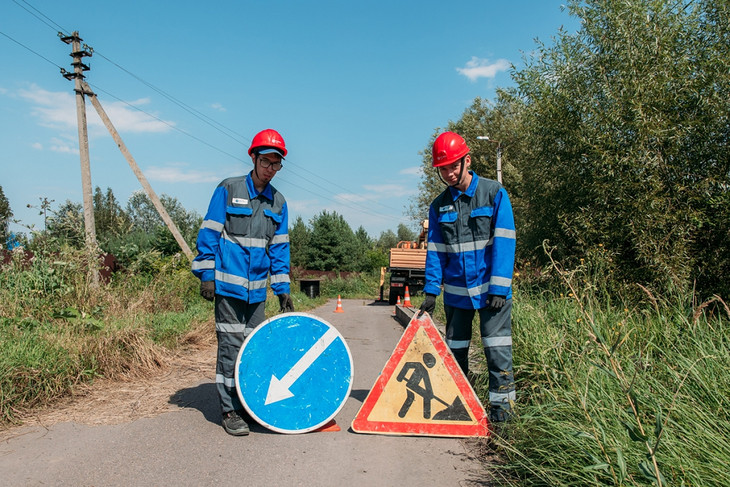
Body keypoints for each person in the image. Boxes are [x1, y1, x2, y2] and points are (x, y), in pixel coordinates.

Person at [192, 128, 295, 436]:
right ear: (253, 157)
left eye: (276, 164)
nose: (271, 169)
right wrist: (206, 274)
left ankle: (247, 403)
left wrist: (283, 289)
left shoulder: (278, 203)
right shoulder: (229, 188)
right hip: (227, 287)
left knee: (254, 348)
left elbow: (279, 249)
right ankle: (228, 410)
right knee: (230, 347)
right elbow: (209, 232)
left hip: (257, 294)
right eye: (266, 161)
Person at [419, 131, 516, 424]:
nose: (448, 173)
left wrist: (500, 287)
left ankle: (504, 421)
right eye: (442, 169)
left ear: (467, 161)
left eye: (452, 166)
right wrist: (430, 292)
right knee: (455, 354)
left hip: (491, 295)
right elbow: (436, 250)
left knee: (497, 356)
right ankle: (461, 411)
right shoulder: (438, 207)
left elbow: (505, 241)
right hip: (457, 296)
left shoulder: (494, 193)